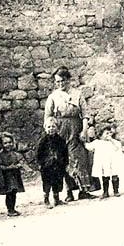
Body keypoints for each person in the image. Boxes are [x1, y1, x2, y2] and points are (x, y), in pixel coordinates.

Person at [43, 67, 93, 201]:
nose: (60, 84)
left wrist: (84, 130)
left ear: (68, 80)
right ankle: (69, 191)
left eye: (63, 81)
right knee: (63, 160)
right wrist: (51, 134)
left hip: (76, 128)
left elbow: (85, 115)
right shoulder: (53, 97)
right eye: (57, 82)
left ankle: (84, 190)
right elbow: (47, 117)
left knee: (79, 158)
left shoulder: (77, 94)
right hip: (60, 130)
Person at [36, 117, 69, 208]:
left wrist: (66, 163)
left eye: (53, 126)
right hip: (47, 166)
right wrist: (40, 163)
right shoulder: (43, 141)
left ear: (57, 128)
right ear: (45, 128)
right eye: (49, 127)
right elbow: (39, 153)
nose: (51, 129)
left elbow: (65, 152)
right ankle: (46, 199)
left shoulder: (61, 140)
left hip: (58, 165)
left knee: (57, 181)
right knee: (47, 182)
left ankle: (56, 199)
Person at [85, 124, 122, 198]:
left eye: (110, 133)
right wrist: (84, 141)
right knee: (105, 178)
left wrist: (111, 140)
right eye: (106, 133)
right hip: (103, 163)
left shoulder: (113, 142)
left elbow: (118, 146)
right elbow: (88, 147)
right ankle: (105, 192)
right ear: (101, 135)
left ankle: (116, 191)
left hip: (112, 162)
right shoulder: (97, 142)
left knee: (114, 176)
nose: (109, 135)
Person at [0, 132, 25, 217]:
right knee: (9, 193)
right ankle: (10, 209)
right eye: (5, 143)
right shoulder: (0, 155)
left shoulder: (15, 153)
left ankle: (13, 208)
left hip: (15, 175)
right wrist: (9, 167)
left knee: (14, 192)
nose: (8, 145)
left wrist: (19, 165)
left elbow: (20, 161)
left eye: (10, 142)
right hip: (6, 177)